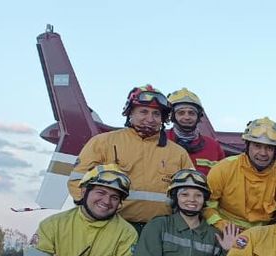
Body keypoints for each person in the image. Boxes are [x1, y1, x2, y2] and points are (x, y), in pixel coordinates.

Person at [71, 85, 194, 227]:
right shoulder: (103, 142)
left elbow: (192, 190)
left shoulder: (178, 153)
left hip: (161, 230)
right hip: (111, 226)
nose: (150, 118)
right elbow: (77, 180)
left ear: (163, 118)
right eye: (143, 112)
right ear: (130, 113)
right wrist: (94, 215)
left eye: (156, 114)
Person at [205, 117, 276, 231]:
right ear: (247, 146)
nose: (263, 153)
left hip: (263, 234)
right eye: (257, 146)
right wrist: (223, 226)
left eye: (269, 148)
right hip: (224, 231)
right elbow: (207, 205)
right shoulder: (224, 168)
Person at [165, 88, 224, 175]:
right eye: (181, 113)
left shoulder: (213, 146)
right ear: (172, 116)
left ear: (199, 116)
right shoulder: (160, 140)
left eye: (191, 113)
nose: (187, 117)